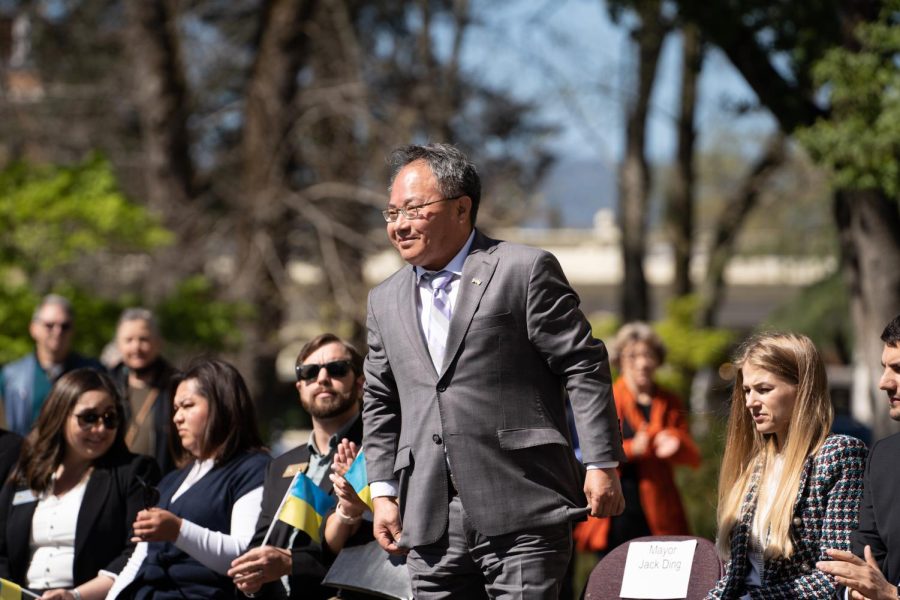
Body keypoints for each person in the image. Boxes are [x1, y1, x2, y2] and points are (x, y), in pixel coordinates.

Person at [363, 143, 625, 598]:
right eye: (390, 214)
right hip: (426, 518)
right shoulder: (383, 300)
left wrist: (601, 461)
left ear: (461, 207)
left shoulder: (522, 270)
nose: (399, 225)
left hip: (523, 505)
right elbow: (379, 398)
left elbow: (583, 364)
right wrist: (382, 490)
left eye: (413, 209)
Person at [707, 332, 867, 598]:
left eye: (764, 389)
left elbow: (836, 575)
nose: (750, 402)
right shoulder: (757, 463)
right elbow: (736, 575)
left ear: (802, 388)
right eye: (747, 390)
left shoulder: (839, 454)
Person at [107, 358, 269, 600]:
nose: (176, 418)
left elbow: (244, 556)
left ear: (221, 405)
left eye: (187, 405)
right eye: (175, 409)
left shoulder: (252, 469)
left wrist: (178, 530)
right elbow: (138, 560)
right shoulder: (172, 480)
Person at [229, 333, 375, 599]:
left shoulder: (376, 448)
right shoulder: (281, 464)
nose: (321, 378)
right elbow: (263, 541)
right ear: (300, 388)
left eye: (336, 369)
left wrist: (292, 563)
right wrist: (251, 574)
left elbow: (367, 546)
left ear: (360, 384)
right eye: (309, 372)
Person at [0, 368, 160, 600]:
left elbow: (137, 552)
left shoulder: (133, 473)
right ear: (60, 415)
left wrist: (75, 596)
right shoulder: (27, 471)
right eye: (89, 417)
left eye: (110, 418)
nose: (101, 428)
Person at [573, 322, 700, 555]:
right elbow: (587, 451)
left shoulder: (669, 401)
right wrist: (632, 449)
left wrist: (675, 441)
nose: (642, 363)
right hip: (617, 505)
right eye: (633, 356)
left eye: (648, 355)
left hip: (659, 507)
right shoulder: (608, 398)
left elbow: (692, 455)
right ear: (620, 360)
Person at [817, 314, 900, 599]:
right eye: (884, 368)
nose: (884, 383)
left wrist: (890, 594)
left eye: (898, 369)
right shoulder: (883, 457)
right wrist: (855, 592)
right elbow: (861, 558)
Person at [0, 295, 104, 436]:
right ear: (33, 328)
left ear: (73, 329)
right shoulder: (10, 376)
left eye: (65, 326)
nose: (58, 331)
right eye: (49, 325)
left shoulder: (94, 373)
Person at [110, 308, 177, 473]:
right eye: (129, 340)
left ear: (158, 342)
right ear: (118, 345)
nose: (136, 347)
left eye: (144, 339)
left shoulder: (176, 387)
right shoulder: (107, 385)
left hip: (161, 484)